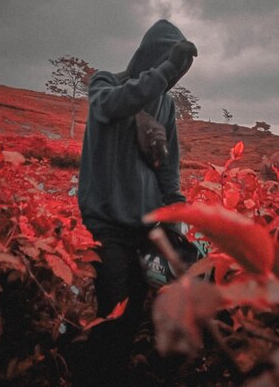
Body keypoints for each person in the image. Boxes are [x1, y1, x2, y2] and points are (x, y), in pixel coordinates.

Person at [76, 19, 197, 385]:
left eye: (177, 71)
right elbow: (113, 107)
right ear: (151, 57)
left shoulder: (166, 106)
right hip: (107, 224)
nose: (172, 78)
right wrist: (164, 72)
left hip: (147, 228)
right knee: (113, 310)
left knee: (132, 316)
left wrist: (175, 220)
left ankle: (112, 373)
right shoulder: (106, 84)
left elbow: (169, 169)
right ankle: (95, 375)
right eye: (169, 65)